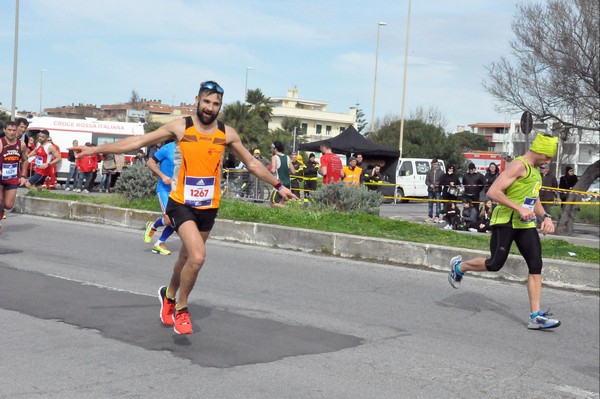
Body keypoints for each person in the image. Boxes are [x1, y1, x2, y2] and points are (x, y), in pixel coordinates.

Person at [70, 80, 297, 335]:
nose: (210, 108)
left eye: (216, 104)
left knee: (186, 257)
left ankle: (168, 294)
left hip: (209, 206)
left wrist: (278, 186)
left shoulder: (227, 134)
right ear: (197, 101)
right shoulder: (180, 127)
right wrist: (95, 149)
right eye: (207, 102)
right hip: (181, 203)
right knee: (198, 257)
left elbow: (253, 164)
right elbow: (138, 141)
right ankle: (181, 308)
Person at [448, 133, 561, 330]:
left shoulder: (535, 171)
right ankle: (459, 268)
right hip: (506, 221)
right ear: (539, 151)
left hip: (525, 224)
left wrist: (547, 217)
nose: (548, 162)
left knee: (536, 264)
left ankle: (535, 316)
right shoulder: (518, 165)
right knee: (494, 264)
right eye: (548, 157)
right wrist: (519, 209)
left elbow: (533, 200)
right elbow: (493, 192)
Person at [144, 140, 176, 255]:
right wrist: (163, 176)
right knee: (169, 219)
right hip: (165, 189)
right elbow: (150, 162)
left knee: (177, 220)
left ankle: (158, 244)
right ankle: (152, 226)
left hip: (179, 191)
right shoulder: (168, 148)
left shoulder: (191, 149)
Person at [0, 121, 29, 234]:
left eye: (13, 130)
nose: (11, 133)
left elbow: (25, 160)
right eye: (9, 130)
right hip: (0, 177)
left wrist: (23, 176)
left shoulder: (21, 145)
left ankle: (2, 210)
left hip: (12, 177)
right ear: (4, 131)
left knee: (8, 205)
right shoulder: (1, 143)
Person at [269, 140, 295, 206]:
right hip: (288, 184)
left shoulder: (274, 157)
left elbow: (273, 170)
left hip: (279, 184)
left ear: (275, 149)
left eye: (272, 148)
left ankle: (291, 211)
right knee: (280, 204)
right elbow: (293, 171)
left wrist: (267, 171)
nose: (271, 149)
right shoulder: (287, 157)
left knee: (273, 203)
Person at [424, 158, 443, 223]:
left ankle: (437, 216)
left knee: (438, 204)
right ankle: (430, 216)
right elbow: (426, 181)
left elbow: (442, 181)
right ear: (432, 164)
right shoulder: (429, 172)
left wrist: (437, 185)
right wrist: (430, 185)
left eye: (436, 164)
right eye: (434, 164)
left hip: (438, 190)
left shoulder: (441, 172)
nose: (435, 165)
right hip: (430, 190)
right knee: (430, 204)